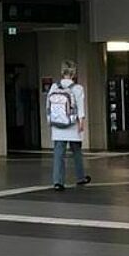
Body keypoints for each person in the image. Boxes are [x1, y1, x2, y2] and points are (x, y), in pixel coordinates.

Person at [48, 60, 91, 191]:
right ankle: (80, 177)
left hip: (57, 125)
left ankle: (58, 181)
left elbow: (48, 106)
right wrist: (81, 123)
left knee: (58, 153)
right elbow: (80, 107)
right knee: (76, 151)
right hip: (72, 125)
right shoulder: (77, 88)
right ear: (73, 73)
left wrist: (50, 120)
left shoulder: (54, 87)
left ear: (62, 72)